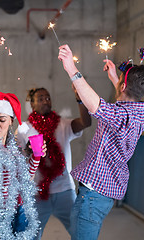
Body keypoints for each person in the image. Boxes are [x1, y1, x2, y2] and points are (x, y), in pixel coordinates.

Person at [58, 44, 144, 240]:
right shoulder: (137, 113)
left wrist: (71, 68)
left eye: (120, 80)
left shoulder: (121, 115)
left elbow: (96, 105)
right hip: (98, 194)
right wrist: (114, 78)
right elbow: (127, 96)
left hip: (93, 197)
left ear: (123, 86)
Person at [0, 66, 46, 240]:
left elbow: (26, 177)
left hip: (19, 210)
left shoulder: (15, 149)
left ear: (10, 121)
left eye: (2, 119)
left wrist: (36, 156)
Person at [16, 85, 91, 239]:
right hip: (37, 192)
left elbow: (86, 122)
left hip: (64, 190)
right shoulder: (24, 129)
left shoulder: (63, 124)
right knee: (31, 234)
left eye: (48, 97)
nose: (46, 101)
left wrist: (80, 99)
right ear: (32, 104)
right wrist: (29, 151)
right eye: (41, 98)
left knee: (79, 232)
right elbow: (19, 155)